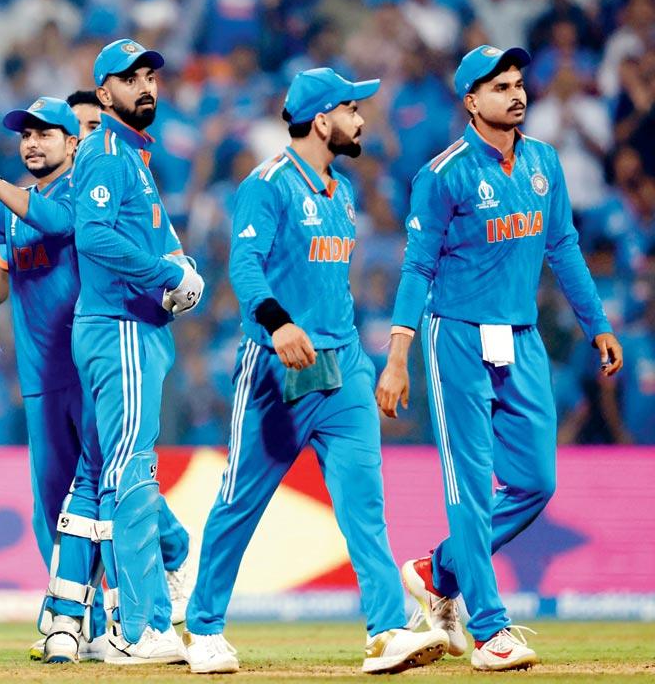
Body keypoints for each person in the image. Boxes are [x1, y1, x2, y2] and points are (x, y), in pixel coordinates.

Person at [183, 68, 449, 675]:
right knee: (239, 502)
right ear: (323, 119)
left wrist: (371, 363)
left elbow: (332, 287)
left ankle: (386, 631)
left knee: (364, 504)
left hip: (344, 366)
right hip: (278, 370)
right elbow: (244, 268)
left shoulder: (343, 192)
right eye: (354, 109)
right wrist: (278, 324)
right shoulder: (268, 184)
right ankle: (201, 628)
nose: (363, 120)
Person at [376, 45, 624, 672]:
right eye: (498, 87)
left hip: (521, 337)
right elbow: (416, 268)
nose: (515, 94)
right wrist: (398, 355)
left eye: (517, 83)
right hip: (455, 336)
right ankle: (489, 630)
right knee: (471, 486)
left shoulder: (543, 162)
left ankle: (439, 570)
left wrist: (597, 324)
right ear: (470, 101)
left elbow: (563, 247)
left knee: (538, 480)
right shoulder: (443, 174)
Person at [0, 96, 191, 663]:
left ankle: (105, 610)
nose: (32, 143)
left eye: (46, 134)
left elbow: (57, 222)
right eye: (25, 134)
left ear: (73, 144)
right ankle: (78, 617)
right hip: (38, 379)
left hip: (89, 368)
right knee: (53, 504)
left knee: (105, 491)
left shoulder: (80, 197)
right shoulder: (14, 206)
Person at [71, 38, 203, 664]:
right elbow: (93, 235)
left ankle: (161, 574)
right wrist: (164, 274)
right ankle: (144, 625)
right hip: (119, 324)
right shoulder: (103, 152)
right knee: (130, 470)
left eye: (150, 75)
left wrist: (181, 266)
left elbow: (152, 236)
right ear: (105, 93)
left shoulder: (133, 156)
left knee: (123, 467)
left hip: (135, 326)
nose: (145, 85)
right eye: (130, 78)